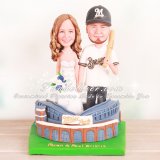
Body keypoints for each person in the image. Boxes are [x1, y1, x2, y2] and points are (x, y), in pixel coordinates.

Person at [78, 5, 119, 110]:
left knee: (101, 106)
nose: (98, 31)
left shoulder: (110, 51)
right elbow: (82, 68)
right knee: (89, 105)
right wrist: (80, 83)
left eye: (103, 27)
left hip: (103, 85)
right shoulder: (87, 50)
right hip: (90, 84)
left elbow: (116, 71)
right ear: (87, 29)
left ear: (109, 30)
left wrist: (109, 63)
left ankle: (100, 123)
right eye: (93, 26)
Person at [50, 14, 83, 114]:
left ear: (75, 33)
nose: (66, 36)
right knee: (62, 101)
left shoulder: (74, 55)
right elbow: (57, 71)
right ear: (56, 34)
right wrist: (56, 84)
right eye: (61, 31)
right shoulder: (60, 55)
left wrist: (78, 85)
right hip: (62, 84)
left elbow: (77, 71)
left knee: (73, 102)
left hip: (72, 85)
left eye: (70, 31)